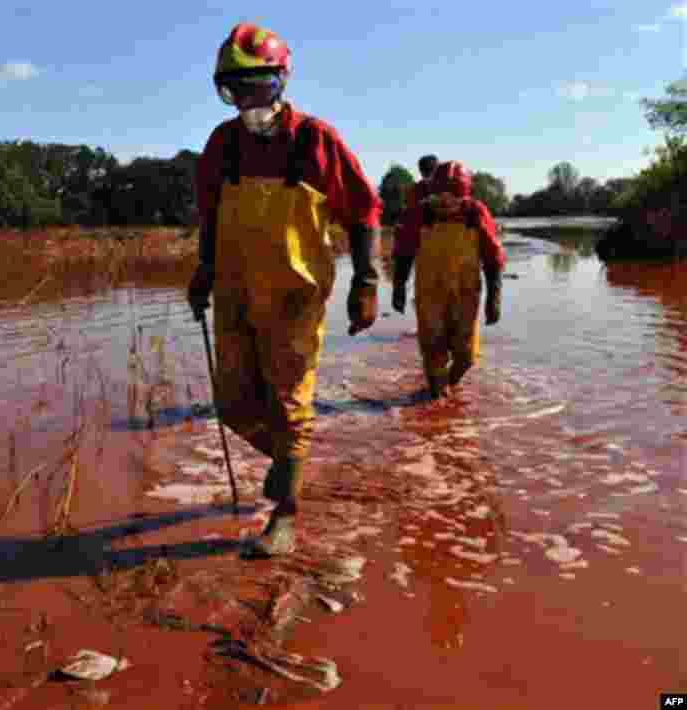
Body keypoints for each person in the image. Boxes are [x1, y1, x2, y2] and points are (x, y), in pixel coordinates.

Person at [187, 22, 383, 557]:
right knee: (234, 406)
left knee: (290, 404)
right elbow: (210, 216)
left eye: (260, 87)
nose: (249, 100)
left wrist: (366, 281)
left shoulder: (315, 139)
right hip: (233, 290)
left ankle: (286, 515)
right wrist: (202, 272)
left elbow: (364, 213)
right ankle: (287, 462)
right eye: (236, 89)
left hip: (294, 297)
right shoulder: (221, 145)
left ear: (282, 82)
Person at [391, 160, 506, 399]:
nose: (445, 203)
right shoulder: (420, 213)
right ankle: (436, 397)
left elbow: (493, 256)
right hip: (430, 291)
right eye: (439, 197)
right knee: (433, 349)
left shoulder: (476, 213)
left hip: (466, 291)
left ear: (463, 196)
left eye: (452, 197)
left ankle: (448, 386)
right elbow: (403, 252)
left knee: (467, 356)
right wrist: (399, 286)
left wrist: (494, 297)